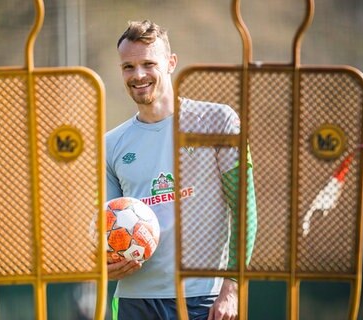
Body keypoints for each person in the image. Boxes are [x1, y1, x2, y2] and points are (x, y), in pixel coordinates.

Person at [106, 20, 257, 320]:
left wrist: (232, 287)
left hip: (203, 298)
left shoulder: (218, 121)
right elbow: (103, 229)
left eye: (148, 64)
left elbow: (245, 209)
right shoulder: (111, 144)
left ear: (171, 63)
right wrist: (105, 264)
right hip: (134, 301)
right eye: (128, 67)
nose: (138, 75)